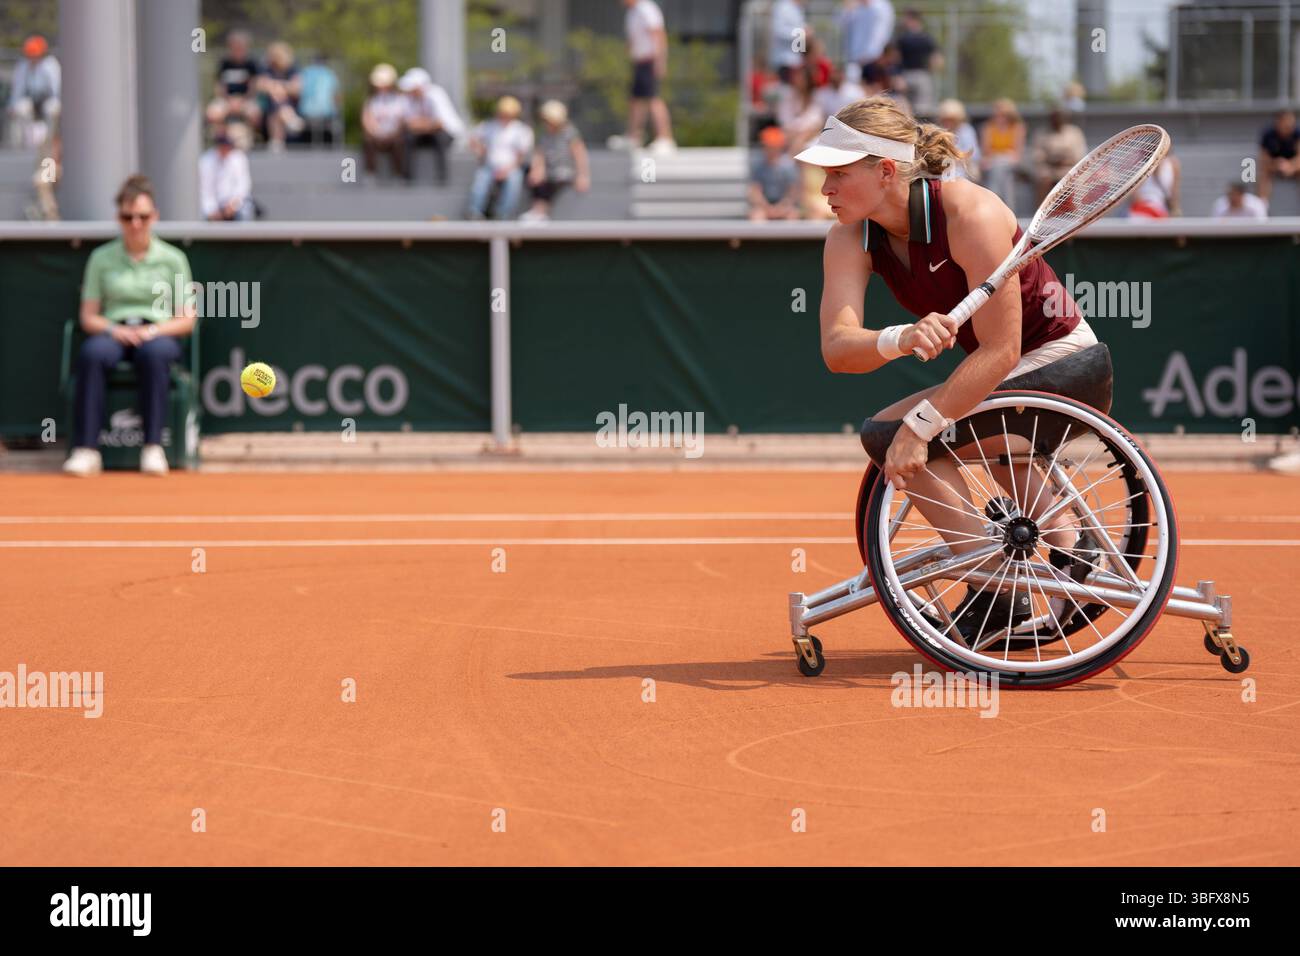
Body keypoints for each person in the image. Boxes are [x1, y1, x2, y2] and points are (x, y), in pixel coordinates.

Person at [797, 96, 1100, 644]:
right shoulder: (849, 237)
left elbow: (1003, 350)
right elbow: (838, 349)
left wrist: (920, 428)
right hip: (1002, 380)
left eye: (838, 174)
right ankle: (1046, 552)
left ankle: (1001, 585)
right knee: (894, 436)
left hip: (1062, 364)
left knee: (901, 435)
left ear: (885, 170)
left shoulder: (970, 213)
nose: (825, 190)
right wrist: (901, 337)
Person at [64, 175, 197, 477]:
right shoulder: (101, 258)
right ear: (119, 218)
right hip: (114, 331)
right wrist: (114, 330)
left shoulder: (173, 259)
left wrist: (152, 331)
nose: (135, 223)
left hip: (157, 332)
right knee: (92, 354)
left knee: (154, 355)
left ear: (155, 217)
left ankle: (153, 447)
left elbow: (187, 318)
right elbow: (89, 316)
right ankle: (86, 450)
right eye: (128, 216)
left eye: (143, 216)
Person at [521, 100, 590, 222]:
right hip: (548, 170)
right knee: (530, 174)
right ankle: (537, 211)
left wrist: (582, 176)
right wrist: (537, 169)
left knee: (550, 180)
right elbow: (539, 154)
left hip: (563, 172)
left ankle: (540, 211)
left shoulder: (570, 134)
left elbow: (580, 155)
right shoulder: (544, 135)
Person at [467, 96, 534, 220]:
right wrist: (480, 150)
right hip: (489, 167)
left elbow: (521, 156)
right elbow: (473, 139)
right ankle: (475, 213)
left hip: (511, 168)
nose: (504, 116)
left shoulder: (521, 130)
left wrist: (506, 170)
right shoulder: (488, 126)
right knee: (480, 182)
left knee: (514, 181)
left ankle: (503, 215)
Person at [621, 0, 675, 153]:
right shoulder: (632, 12)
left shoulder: (646, 8)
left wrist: (660, 61)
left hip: (650, 60)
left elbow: (658, 34)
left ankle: (665, 138)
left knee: (653, 99)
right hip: (639, 62)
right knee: (636, 100)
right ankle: (634, 137)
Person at [399, 67, 466, 185]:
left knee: (439, 138)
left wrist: (420, 125)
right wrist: (425, 125)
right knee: (407, 137)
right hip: (426, 134)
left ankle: (442, 177)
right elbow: (407, 123)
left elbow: (440, 124)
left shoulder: (435, 94)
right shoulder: (409, 99)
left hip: (446, 133)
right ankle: (407, 178)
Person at [7, 34, 61, 148]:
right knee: (19, 109)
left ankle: (50, 142)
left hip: (47, 99)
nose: (32, 58)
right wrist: (12, 106)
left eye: (35, 54)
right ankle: (24, 144)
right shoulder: (22, 66)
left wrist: (59, 105)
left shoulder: (50, 65)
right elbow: (18, 89)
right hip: (30, 100)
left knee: (53, 109)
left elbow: (56, 88)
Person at [206, 31, 262, 135]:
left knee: (254, 114)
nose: (238, 50)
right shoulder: (224, 63)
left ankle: (249, 137)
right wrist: (229, 100)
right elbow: (219, 86)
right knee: (213, 113)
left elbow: (253, 87)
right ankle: (222, 138)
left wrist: (241, 101)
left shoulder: (251, 63)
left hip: (246, 99)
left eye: (241, 47)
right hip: (226, 99)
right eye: (235, 47)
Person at [362, 63, 409, 179]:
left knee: (399, 143)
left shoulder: (400, 100)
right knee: (368, 141)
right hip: (376, 136)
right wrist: (376, 133)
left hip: (394, 135)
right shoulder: (372, 100)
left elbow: (402, 121)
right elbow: (367, 120)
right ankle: (370, 173)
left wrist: (392, 134)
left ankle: (398, 174)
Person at [257, 41, 305, 151]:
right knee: (276, 100)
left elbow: (297, 88)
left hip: (289, 105)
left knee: (276, 109)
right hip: (268, 106)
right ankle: (289, 118)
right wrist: (276, 87)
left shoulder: (293, 69)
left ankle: (277, 141)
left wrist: (280, 87)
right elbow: (260, 84)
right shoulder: (267, 68)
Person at [1031, 109, 1086, 202]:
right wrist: (1053, 160)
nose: (1057, 122)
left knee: (1075, 180)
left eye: (1060, 119)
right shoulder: (1041, 133)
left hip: (1069, 168)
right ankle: (1043, 213)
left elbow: (1080, 154)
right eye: (1055, 119)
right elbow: (1038, 156)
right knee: (1043, 179)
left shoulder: (1074, 132)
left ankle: (1073, 212)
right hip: (1049, 169)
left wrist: (1066, 160)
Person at [199, 130, 256, 221]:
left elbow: (243, 185)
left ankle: (244, 235)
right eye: (223, 146)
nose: (226, 149)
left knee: (245, 209)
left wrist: (233, 204)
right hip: (215, 205)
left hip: (235, 204)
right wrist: (212, 209)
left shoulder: (239, 158)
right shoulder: (206, 160)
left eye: (228, 146)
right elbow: (205, 189)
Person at [979, 98, 1025, 208]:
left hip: (1010, 162)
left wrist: (1001, 155)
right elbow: (986, 150)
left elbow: (1017, 153)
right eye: (997, 114)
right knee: (1003, 175)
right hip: (994, 162)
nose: (999, 117)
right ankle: (1009, 207)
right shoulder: (988, 127)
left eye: (1003, 114)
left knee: (1000, 167)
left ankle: (993, 200)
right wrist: (1000, 155)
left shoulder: (1017, 127)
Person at [748, 125, 800, 221]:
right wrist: (767, 207)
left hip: (784, 205)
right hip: (764, 206)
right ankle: (760, 236)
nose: (770, 149)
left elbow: (793, 191)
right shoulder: (758, 167)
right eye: (768, 146)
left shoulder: (788, 166)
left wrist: (782, 207)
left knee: (792, 215)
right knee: (756, 216)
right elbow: (755, 191)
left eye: (773, 146)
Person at [896, 10, 937, 114]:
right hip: (906, 74)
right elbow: (896, 59)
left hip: (922, 74)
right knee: (905, 110)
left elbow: (935, 58)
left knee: (923, 110)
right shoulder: (902, 39)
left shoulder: (926, 38)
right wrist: (898, 75)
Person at [297, 55, 342, 146]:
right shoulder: (329, 74)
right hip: (326, 114)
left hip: (306, 113)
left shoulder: (305, 73)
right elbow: (336, 95)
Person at [1258, 110, 1300, 203]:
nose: (1289, 125)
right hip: (1274, 166)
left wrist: (1290, 166)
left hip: (1294, 167)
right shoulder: (1268, 135)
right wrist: (1276, 164)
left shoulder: (1297, 133)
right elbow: (1264, 158)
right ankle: (1262, 206)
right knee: (1263, 174)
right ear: (1278, 122)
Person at [936, 99, 979, 182]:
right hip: (942, 169)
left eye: (951, 119)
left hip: (964, 169)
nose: (948, 122)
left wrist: (954, 161)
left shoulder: (966, 131)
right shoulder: (938, 131)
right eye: (945, 119)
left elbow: (973, 155)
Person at [1128, 153, 1180, 218]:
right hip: (1141, 209)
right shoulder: (1139, 163)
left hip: (1160, 208)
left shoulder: (1172, 163)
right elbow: (1134, 193)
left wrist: (1173, 207)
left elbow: (1174, 191)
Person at [768, 0, 807, 85]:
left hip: (796, 61)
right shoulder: (782, 7)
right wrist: (801, 32)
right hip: (784, 60)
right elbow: (779, 31)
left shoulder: (798, 9)